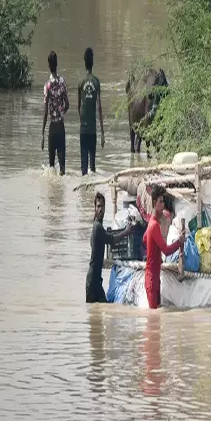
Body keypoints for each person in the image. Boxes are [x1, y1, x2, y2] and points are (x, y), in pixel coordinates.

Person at [144, 185, 185, 309]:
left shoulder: (153, 223)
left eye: (163, 202)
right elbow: (166, 251)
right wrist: (179, 242)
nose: (163, 205)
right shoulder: (154, 225)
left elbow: (144, 239)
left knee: (156, 320)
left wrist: (153, 250)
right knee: (153, 320)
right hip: (151, 279)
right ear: (154, 203)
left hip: (155, 278)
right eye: (160, 202)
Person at [87, 192, 133, 303]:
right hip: (93, 280)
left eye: (102, 206)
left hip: (95, 279)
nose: (100, 209)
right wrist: (126, 232)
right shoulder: (97, 227)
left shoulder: (96, 225)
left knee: (96, 314)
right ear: (95, 208)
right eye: (98, 206)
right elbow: (111, 240)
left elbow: (93, 244)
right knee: (101, 309)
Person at [40, 50, 69, 175]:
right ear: (57, 64)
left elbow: (46, 111)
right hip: (60, 126)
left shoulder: (47, 85)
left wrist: (42, 134)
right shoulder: (62, 82)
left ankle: (52, 192)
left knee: (51, 168)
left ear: (48, 65)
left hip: (52, 128)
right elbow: (67, 105)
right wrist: (61, 112)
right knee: (62, 167)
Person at [78, 47, 104, 176]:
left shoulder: (80, 82)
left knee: (83, 169)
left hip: (83, 129)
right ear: (92, 63)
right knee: (92, 167)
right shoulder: (96, 82)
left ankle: (83, 196)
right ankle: (91, 193)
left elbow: (78, 107)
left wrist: (82, 122)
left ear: (84, 63)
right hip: (93, 130)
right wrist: (103, 133)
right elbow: (99, 108)